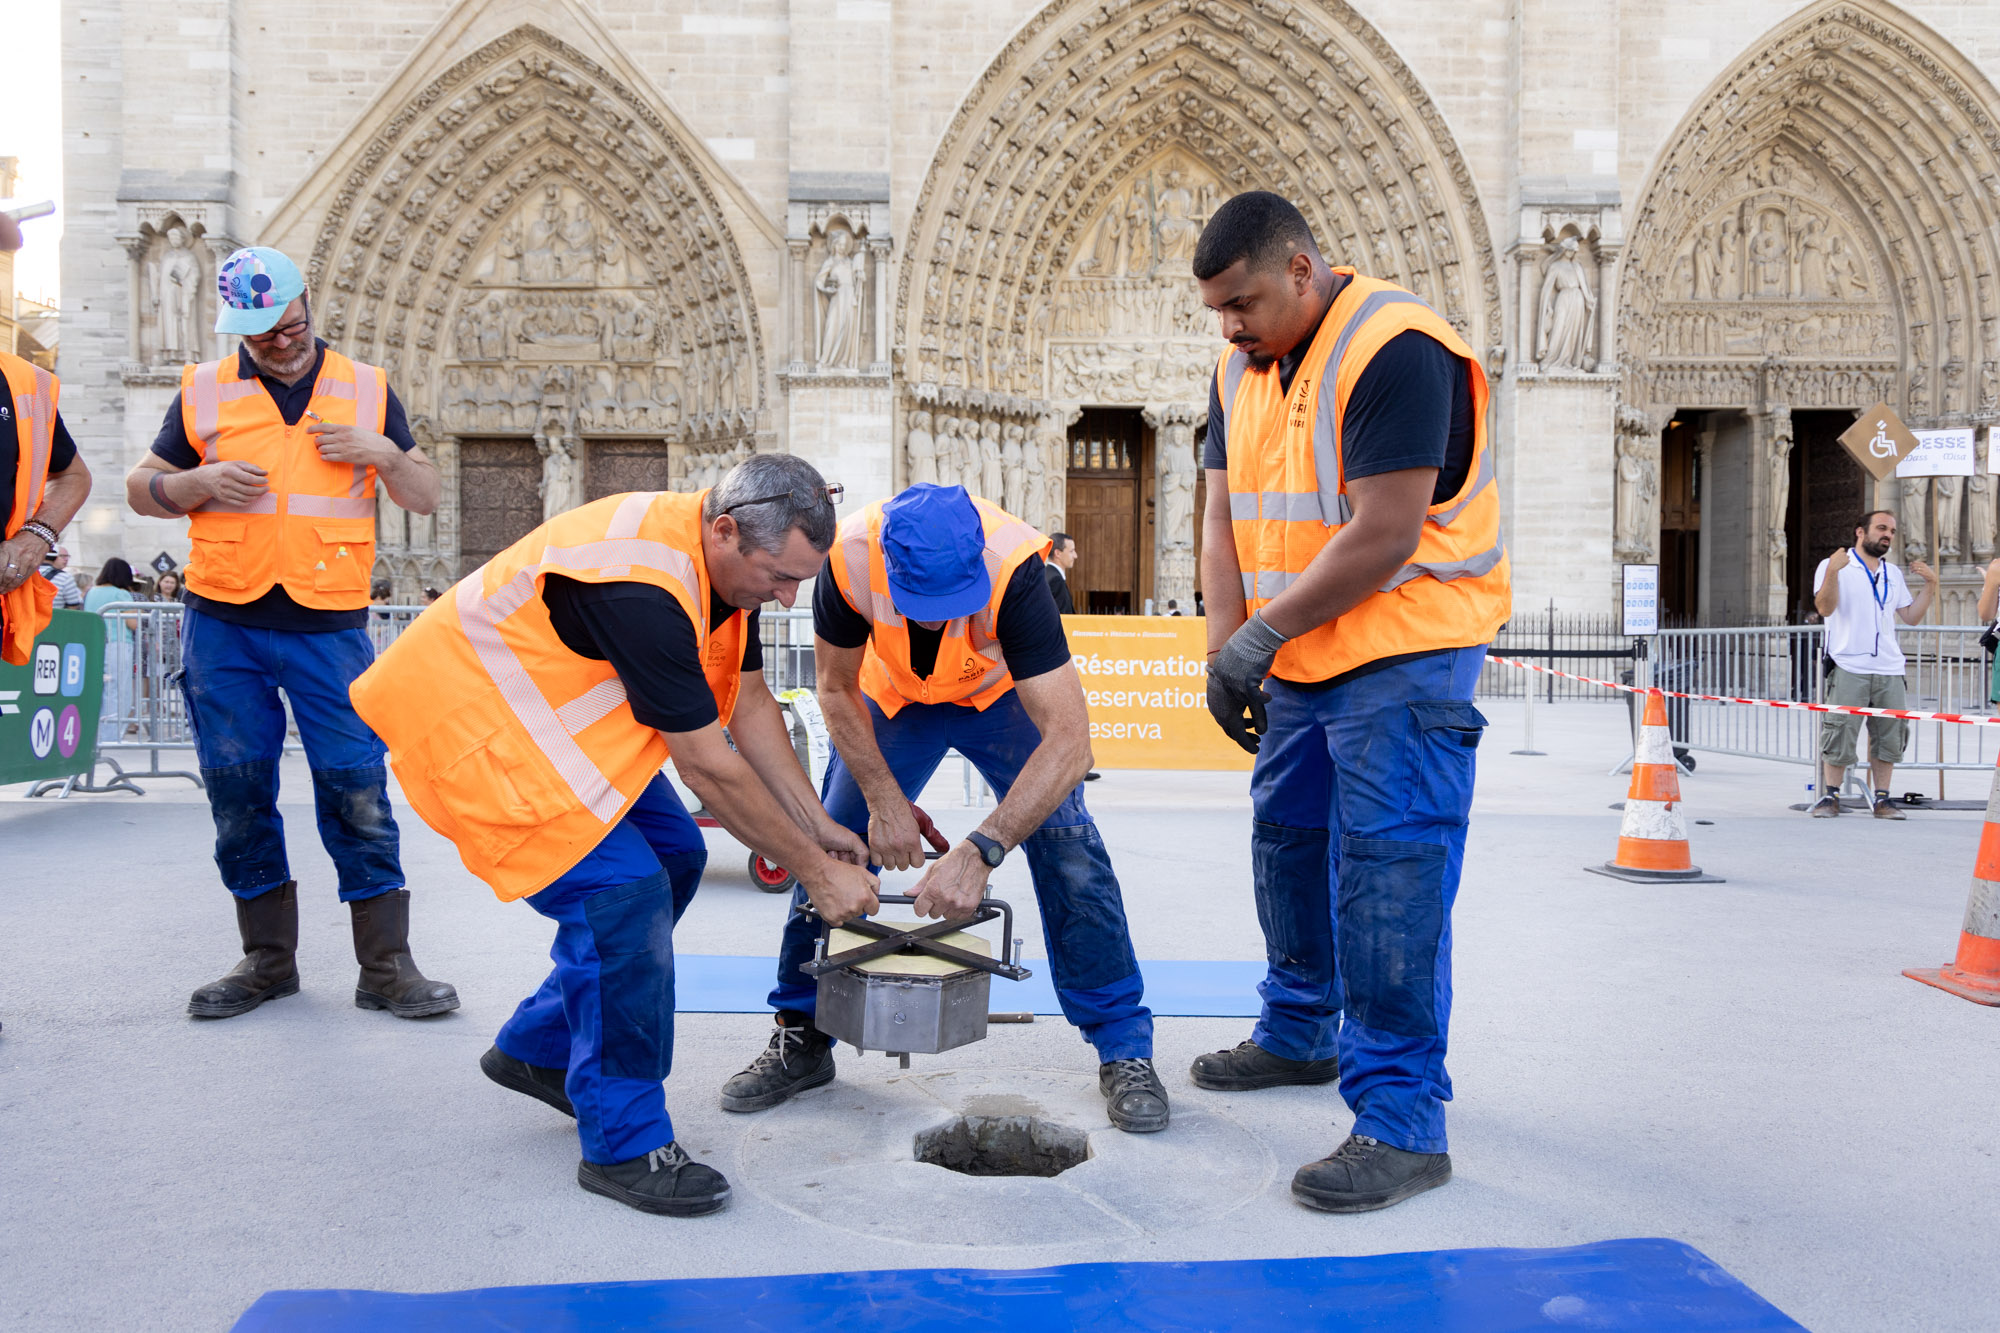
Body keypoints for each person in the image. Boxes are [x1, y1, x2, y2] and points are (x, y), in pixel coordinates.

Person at [352, 456, 879, 1217]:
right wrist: (816, 872)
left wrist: (818, 823)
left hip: (558, 737)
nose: (788, 595)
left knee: (674, 855)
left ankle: (539, 1047)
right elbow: (708, 766)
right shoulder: (641, 581)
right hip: (480, 735)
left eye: (801, 579)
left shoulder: (728, 563)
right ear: (725, 527)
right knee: (624, 898)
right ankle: (624, 1140)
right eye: (781, 575)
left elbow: (750, 704)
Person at [1192, 192, 1509, 1213]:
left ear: (1298, 269)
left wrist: (1257, 637)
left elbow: (1383, 532)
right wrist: (1219, 649)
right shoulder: (1237, 368)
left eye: (1241, 302)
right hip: (1300, 656)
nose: (1229, 326)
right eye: (1214, 311)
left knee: (1388, 877)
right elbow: (1217, 516)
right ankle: (1296, 1030)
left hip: (1405, 654)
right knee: (1285, 840)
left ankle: (1402, 1118)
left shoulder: (1397, 347)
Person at [722, 483, 1167, 1133]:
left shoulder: (1015, 570)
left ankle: (1124, 1045)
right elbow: (836, 689)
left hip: (998, 699)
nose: (933, 619)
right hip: (895, 699)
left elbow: (1071, 741)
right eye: (918, 604)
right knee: (831, 842)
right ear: (890, 565)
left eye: (948, 604)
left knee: (1069, 843)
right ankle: (802, 1033)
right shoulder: (849, 560)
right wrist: (882, 797)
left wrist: (983, 847)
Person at [124, 245, 458, 1021]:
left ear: (309, 306)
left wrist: (380, 452)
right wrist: (192, 484)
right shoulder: (205, 391)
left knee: (357, 788)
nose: (280, 341)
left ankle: (387, 967)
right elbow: (142, 489)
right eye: (261, 332)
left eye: (291, 325)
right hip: (224, 622)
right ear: (238, 327)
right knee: (239, 790)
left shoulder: (367, 388)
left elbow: (426, 495)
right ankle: (266, 960)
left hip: (327, 622)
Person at [1809, 510, 1935, 818]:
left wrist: (1931, 585)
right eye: (1881, 528)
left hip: (1889, 668)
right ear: (1860, 532)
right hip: (1849, 663)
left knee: (1890, 734)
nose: (1887, 535)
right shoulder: (1834, 564)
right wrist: (1834, 573)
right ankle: (1831, 797)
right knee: (1839, 732)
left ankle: (1882, 799)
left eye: (1891, 531)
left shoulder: (1892, 573)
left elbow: (1911, 617)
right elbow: (1825, 608)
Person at [84, 557, 141, 741]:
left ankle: (98, 732)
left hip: (96, 642)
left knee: (102, 687)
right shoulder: (121, 594)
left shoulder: (91, 592)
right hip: (118, 644)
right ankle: (112, 734)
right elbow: (132, 624)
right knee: (119, 689)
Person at [1045, 531, 1078, 613]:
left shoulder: (1044, 573)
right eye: (1071, 551)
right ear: (1058, 553)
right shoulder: (1056, 580)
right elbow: (1063, 617)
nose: (1075, 556)